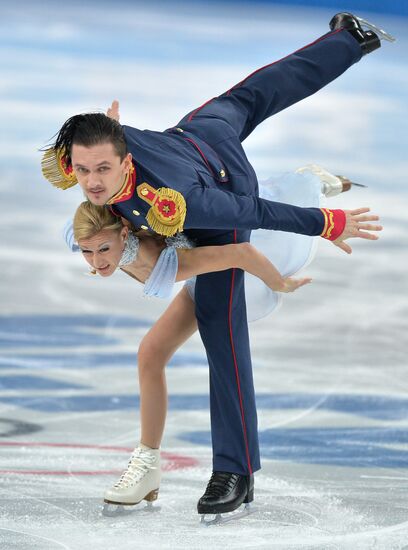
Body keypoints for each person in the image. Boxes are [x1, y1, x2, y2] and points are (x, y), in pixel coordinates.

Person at [42, 12, 389, 518]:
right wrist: (107, 127)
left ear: (124, 160)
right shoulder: (94, 147)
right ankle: (350, 39)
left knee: (220, 327)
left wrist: (325, 223)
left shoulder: (178, 201)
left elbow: (255, 213)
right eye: (82, 169)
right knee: (255, 92)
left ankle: (235, 468)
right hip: (197, 135)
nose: (91, 182)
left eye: (103, 169)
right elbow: (96, 142)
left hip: (223, 192)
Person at [68, 165, 358, 511]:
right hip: (193, 246)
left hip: (242, 248)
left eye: (103, 250)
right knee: (150, 353)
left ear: (124, 234)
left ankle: (312, 184)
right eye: (87, 251)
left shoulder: (163, 260)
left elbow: (242, 254)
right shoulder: (89, 227)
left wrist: (279, 284)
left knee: (275, 225)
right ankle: (147, 465)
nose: (96, 262)